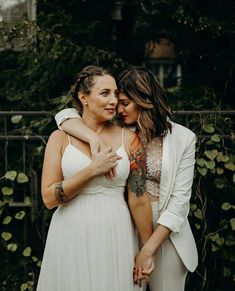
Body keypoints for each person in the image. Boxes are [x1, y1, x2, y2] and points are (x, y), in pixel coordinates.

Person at [55, 66, 198, 291]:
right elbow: (65, 116)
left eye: (125, 103)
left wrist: (149, 248)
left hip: (167, 232)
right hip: (125, 226)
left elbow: (180, 203)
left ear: (144, 100)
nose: (117, 107)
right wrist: (92, 138)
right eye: (115, 100)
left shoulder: (183, 139)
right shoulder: (118, 128)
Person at [37, 65, 153, 291]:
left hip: (115, 232)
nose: (114, 101)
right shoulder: (59, 138)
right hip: (70, 232)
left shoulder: (131, 141)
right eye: (105, 93)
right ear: (84, 98)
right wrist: (92, 170)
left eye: (115, 93)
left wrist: (147, 250)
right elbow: (49, 198)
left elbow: (139, 199)